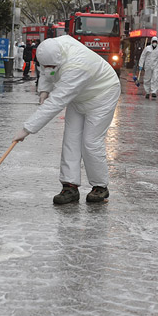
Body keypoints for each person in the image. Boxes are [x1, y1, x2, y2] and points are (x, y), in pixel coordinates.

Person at [13, 35, 121, 205]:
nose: (48, 68)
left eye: (52, 66)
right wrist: (43, 90)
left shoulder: (77, 66)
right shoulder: (53, 48)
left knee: (91, 142)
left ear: (60, 60)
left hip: (102, 94)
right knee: (71, 139)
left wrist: (27, 129)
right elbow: (48, 72)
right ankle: (69, 186)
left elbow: (57, 102)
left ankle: (100, 186)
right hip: (79, 96)